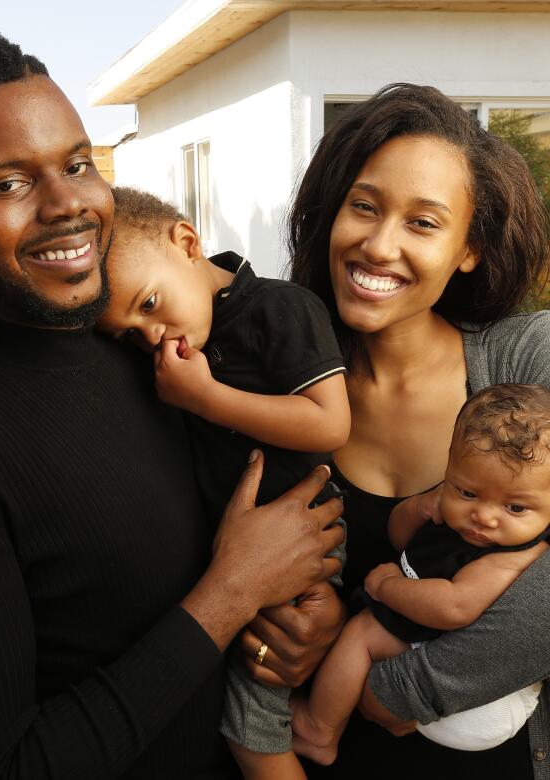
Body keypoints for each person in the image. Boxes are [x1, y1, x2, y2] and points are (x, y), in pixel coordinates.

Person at [0, 34, 345, 778]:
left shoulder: (139, 345)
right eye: (8, 184)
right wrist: (231, 596)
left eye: (77, 165)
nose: (67, 204)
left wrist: (302, 616)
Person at [272, 82, 550, 777]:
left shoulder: (526, 354)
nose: (379, 245)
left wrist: (411, 688)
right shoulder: (281, 382)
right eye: (365, 207)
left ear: (469, 248)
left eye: (423, 222)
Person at [96, 187, 349, 778]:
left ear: (187, 243)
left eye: (150, 303)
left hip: (303, 530)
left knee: (248, 711)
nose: (151, 335)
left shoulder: (280, 309)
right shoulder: (176, 351)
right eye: (129, 333)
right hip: (244, 549)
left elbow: (330, 422)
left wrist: (208, 398)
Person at [292, 384, 550, 767]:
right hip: (442, 656)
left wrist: (386, 586)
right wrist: (418, 508)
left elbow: (453, 608)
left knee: (362, 634)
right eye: (467, 492)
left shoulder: (520, 555)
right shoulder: (465, 505)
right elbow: (402, 539)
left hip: (479, 695)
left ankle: (319, 730)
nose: (485, 516)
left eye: (515, 506)